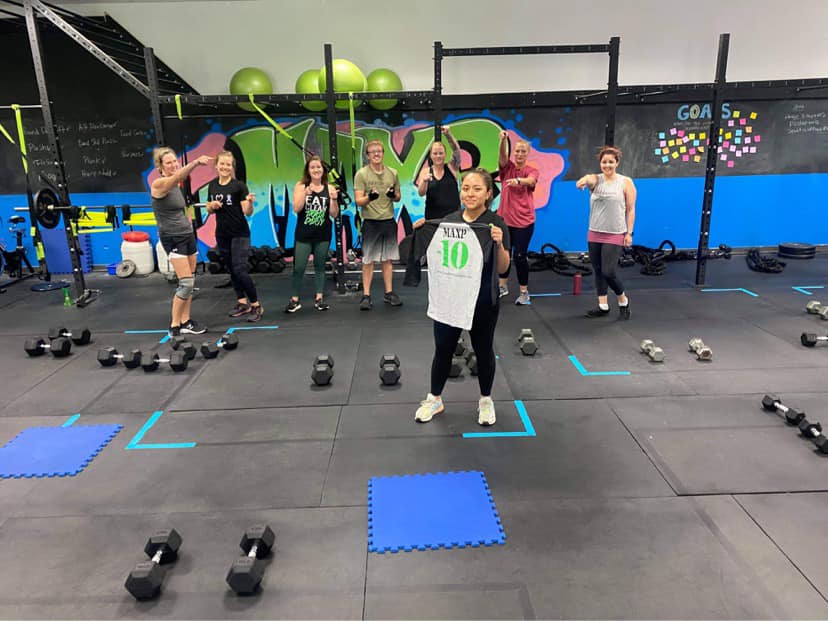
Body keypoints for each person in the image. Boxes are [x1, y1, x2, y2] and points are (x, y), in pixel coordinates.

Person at [414, 168, 511, 427]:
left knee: (483, 349)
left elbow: (504, 268)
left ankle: (486, 400)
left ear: (488, 194)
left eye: (477, 189)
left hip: (483, 300)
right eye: (466, 188)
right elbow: (431, 253)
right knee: (443, 349)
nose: (470, 193)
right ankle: (435, 398)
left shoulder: (496, 223)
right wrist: (422, 231)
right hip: (450, 299)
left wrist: (499, 244)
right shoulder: (448, 221)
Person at [150, 147, 211, 337]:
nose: (173, 165)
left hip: (187, 235)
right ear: (160, 166)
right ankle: (174, 326)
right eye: (168, 163)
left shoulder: (176, 185)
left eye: (175, 161)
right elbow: (177, 177)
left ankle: (186, 321)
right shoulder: (159, 184)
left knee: (190, 280)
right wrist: (195, 162)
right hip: (172, 237)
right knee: (185, 284)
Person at [575, 145, 636, 319]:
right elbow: (589, 178)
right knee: (598, 269)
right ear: (600, 163)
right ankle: (602, 306)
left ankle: (623, 300)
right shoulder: (596, 180)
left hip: (615, 233)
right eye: (604, 162)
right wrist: (582, 181)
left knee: (608, 272)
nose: (607, 165)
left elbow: (630, 209)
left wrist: (629, 233)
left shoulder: (625, 182)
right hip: (594, 232)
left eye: (611, 162)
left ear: (617, 163)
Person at [205, 151, 262, 322]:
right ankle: (242, 303)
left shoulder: (239, 186)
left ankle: (256, 305)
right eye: (222, 164)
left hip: (240, 233)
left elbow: (247, 212)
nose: (225, 167)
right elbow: (209, 209)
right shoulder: (212, 185)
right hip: (222, 233)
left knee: (240, 270)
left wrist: (250, 202)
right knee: (231, 269)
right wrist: (212, 205)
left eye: (228, 164)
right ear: (216, 166)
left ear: (232, 167)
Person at [285, 155, 339, 312]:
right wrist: (306, 193)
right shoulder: (301, 186)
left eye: (318, 167)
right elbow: (296, 208)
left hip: (323, 234)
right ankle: (294, 300)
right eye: (313, 167)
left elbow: (334, 214)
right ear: (308, 170)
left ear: (323, 170)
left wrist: (334, 200)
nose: (316, 170)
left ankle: (319, 298)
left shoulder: (329, 188)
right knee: (299, 267)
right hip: (304, 234)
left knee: (320, 266)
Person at [353, 139, 402, 310]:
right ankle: (366, 295)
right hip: (371, 222)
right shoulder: (362, 174)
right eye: (372, 152)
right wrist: (369, 198)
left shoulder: (393, 173)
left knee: (387, 259)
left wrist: (392, 195)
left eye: (379, 151)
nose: (376, 154)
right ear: (368, 155)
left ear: (382, 153)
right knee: (368, 260)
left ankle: (389, 293)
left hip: (388, 220)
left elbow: (398, 197)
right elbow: (358, 200)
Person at [496, 130, 539, 305]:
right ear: (513, 152)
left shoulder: (531, 171)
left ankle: (524, 292)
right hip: (505, 221)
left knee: (520, 256)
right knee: (504, 255)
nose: (520, 154)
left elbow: (531, 181)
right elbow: (501, 157)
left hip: (524, 222)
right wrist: (502, 140)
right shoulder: (507, 168)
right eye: (517, 151)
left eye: (523, 151)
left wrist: (519, 181)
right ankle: (502, 287)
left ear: (527, 153)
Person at [414, 125, 461, 223]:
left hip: (453, 219)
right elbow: (421, 193)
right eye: (435, 153)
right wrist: (424, 181)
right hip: (432, 219)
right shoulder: (425, 172)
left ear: (445, 154)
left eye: (441, 153)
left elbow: (456, 151)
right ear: (431, 156)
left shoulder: (451, 167)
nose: (438, 156)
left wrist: (448, 135)